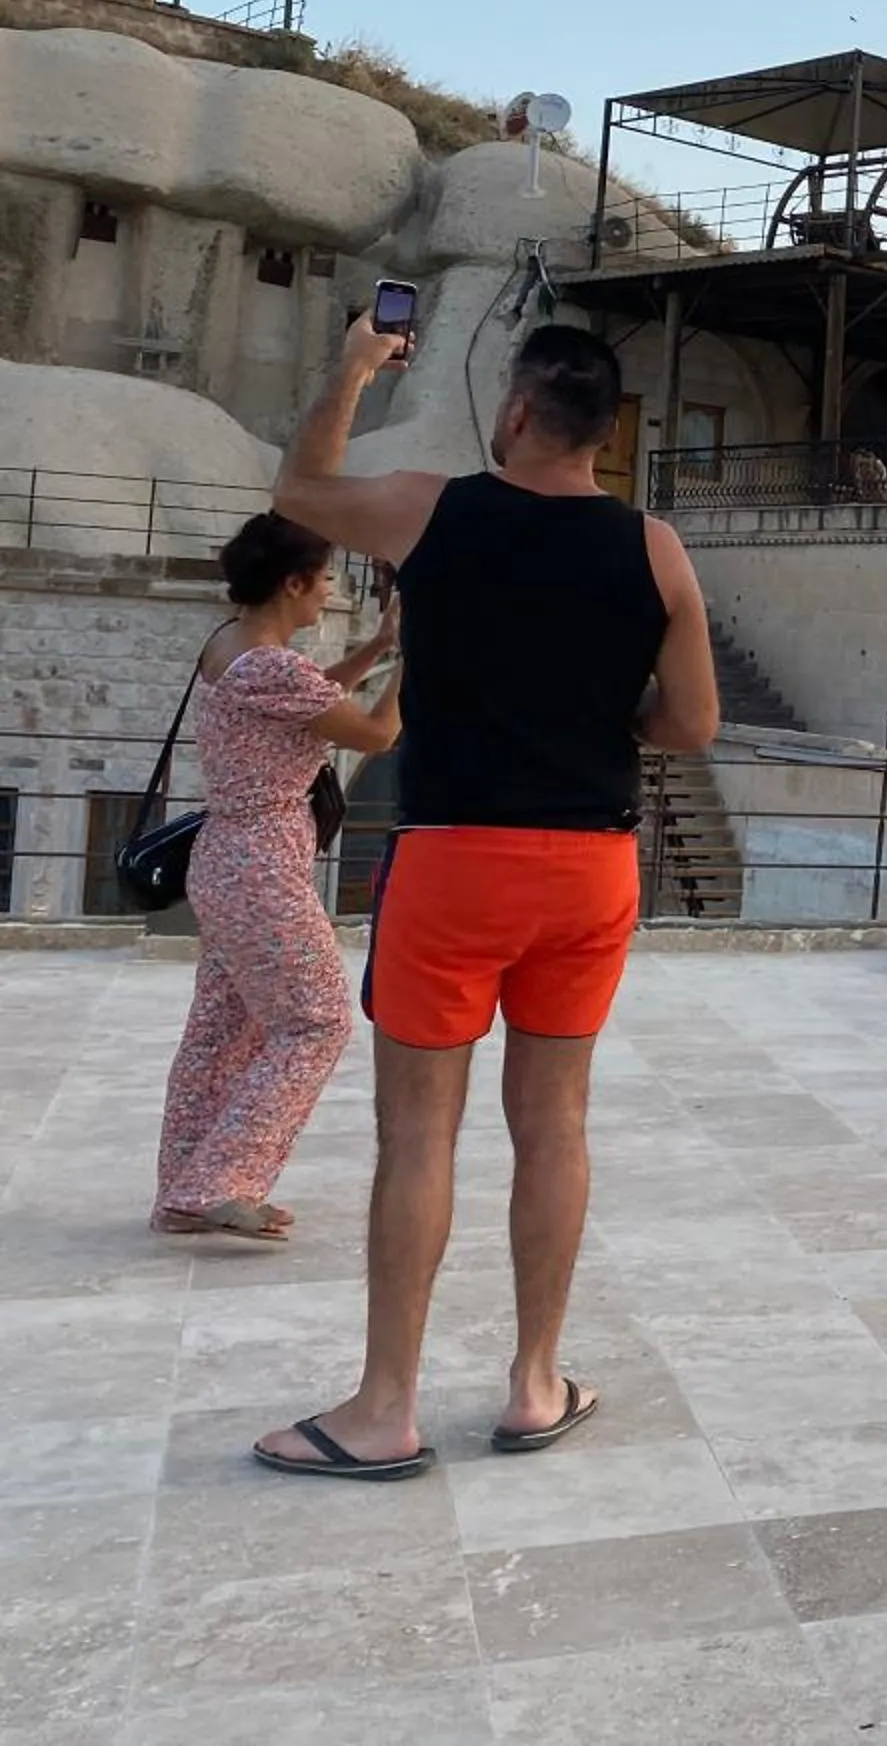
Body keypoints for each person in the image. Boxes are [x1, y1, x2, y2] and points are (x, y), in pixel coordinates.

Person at [250, 317, 719, 1482]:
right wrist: (606, 723)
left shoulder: (431, 507)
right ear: (605, 439)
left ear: (514, 417)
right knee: (553, 1123)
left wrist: (355, 363)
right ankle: (534, 1383)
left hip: (457, 859)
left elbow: (299, 485)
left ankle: (385, 1409)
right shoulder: (656, 549)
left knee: (419, 1134)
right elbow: (693, 725)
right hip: (593, 865)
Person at [153, 514, 401, 1243]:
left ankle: (183, 1187)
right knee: (317, 1020)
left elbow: (312, 696)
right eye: (323, 580)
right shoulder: (271, 665)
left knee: (219, 1032)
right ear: (293, 583)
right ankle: (218, 1182)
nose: (327, 592)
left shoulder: (231, 647)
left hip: (228, 858)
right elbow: (376, 733)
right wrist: (415, 662)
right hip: (260, 865)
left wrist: (380, 646)